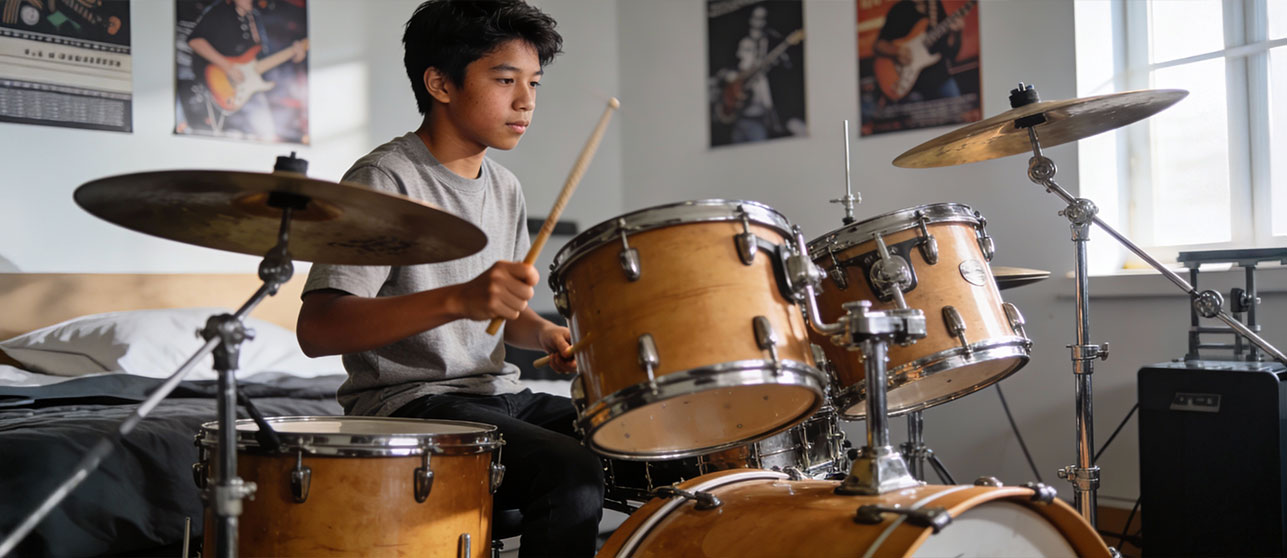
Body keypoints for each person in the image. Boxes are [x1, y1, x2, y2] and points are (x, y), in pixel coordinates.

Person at [295, 2, 602, 556]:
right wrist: (459, 298)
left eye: (533, 82)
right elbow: (318, 329)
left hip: (494, 394)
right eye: (505, 80)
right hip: (409, 404)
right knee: (571, 472)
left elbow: (497, 315)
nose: (526, 100)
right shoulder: (386, 179)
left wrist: (544, 334)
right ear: (439, 83)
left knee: (632, 436)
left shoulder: (505, 187)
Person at [186, 0, 305, 140]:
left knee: (267, 133)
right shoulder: (220, 11)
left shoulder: (255, 17)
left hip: (248, 86)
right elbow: (195, 41)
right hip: (219, 81)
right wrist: (227, 67)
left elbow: (261, 54)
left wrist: (293, 53)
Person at [872, 0, 965, 103]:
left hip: (939, 78)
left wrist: (956, 33)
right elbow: (878, 46)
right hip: (910, 85)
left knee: (960, 108)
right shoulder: (899, 9)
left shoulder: (935, 5)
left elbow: (951, 53)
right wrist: (897, 51)